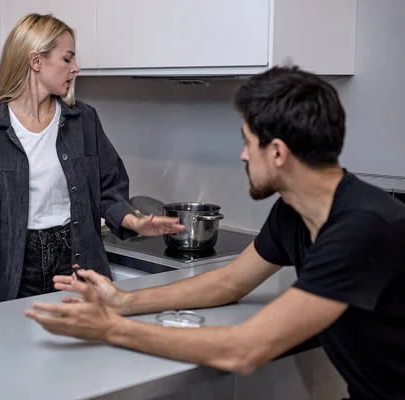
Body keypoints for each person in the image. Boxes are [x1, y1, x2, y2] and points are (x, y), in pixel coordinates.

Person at [25, 66, 405, 400]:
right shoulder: (294, 212)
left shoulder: (362, 227)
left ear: (277, 153)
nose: (242, 155)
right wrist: (122, 302)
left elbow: (245, 349)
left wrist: (111, 329)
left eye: (246, 141)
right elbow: (228, 283)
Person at [0, 13, 184, 306]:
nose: (76, 68)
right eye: (67, 59)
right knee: (9, 347)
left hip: (76, 259)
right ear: (36, 61)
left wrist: (135, 222)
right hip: (14, 268)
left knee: (82, 348)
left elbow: (108, 187)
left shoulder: (84, 121)